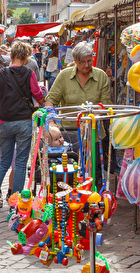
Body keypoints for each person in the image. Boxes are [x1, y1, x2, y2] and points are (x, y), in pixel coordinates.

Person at [0, 41, 44, 210]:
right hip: (24, 121)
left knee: (4, 162)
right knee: (19, 163)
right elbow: (37, 94)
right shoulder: (29, 74)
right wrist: (42, 101)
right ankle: (16, 202)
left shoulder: (0, 74)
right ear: (26, 57)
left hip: (4, 122)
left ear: (10, 56)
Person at [45, 41, 111, 184]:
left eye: (89, 61)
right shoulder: (64, 76)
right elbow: (51, 100)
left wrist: (93, 118)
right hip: (69, 133)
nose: (87, 65)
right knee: (70, 172)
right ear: (75, 61)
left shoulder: (101, 76)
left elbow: (105, 105)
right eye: (82, 62)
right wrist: (51, 123)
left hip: (94, 134)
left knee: (93, 174)